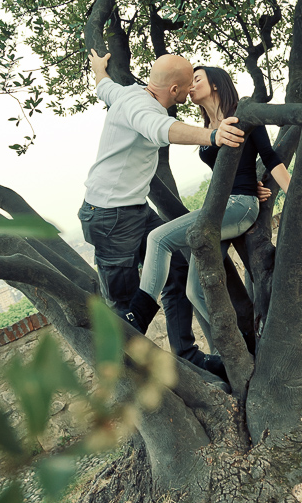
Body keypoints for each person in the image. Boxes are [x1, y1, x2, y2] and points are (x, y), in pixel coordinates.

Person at [78, 50, 244, 376]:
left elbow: (104, 87)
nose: (189, 92)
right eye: (186, 87)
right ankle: (136, 385)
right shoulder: (145, 108)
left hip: (133, 210)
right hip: (109, 219)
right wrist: (213, 135)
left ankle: (187, 356)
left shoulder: (127, 92)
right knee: (124, 311)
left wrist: (99, 68)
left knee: (175, 269)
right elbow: (161, 127)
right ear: (173, 92)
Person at [119, 65, 290, 336]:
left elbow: (269, 157)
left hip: (239, 206)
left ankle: (137, 317)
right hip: (220, 208)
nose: (191, 85)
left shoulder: (242, 114)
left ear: (215, 84)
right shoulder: (207, 129)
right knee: (194, 291)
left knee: (158, 239)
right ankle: (242, 346)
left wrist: (292, 196)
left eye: (196, 79)